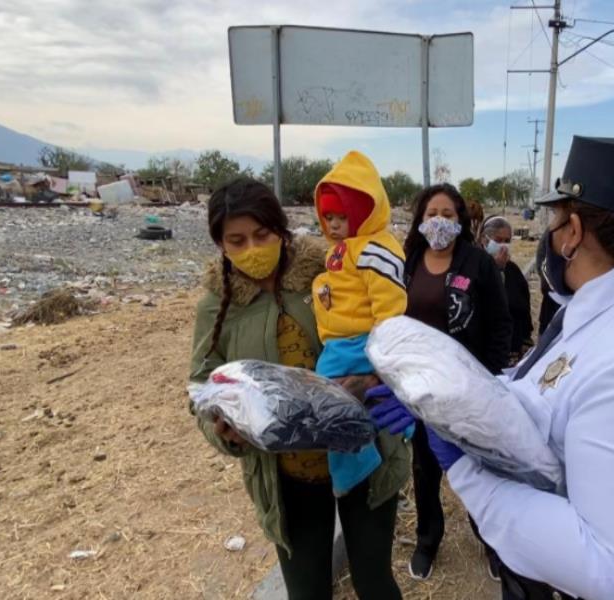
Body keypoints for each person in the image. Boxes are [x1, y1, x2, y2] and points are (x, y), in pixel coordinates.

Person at [373, 136, 614, 599]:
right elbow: (540, 389)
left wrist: (466, 470)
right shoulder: (595, 315)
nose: (549, 232)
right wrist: (448, 403)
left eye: (554, 217)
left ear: (573, 231)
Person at [189, 178, 409, 600]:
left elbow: (391, 334)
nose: (252, 248)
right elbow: (201, 385)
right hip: (289, 476)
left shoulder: (331, 274)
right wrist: (222, 427)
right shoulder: (218, 306)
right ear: (220, 244)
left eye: (262, 235)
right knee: (307, 592)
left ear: (281, 230)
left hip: (364, 455)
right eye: (236, 240)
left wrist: (374, 381)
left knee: (375, 584)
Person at [392, 183, 512, 581]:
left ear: (460, 220)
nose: (439, 221)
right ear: (420, 220)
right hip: (422, 391)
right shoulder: (408, 261)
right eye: (431, 214)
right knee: (425, 470)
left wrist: (489, 378)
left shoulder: (477, 263)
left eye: (447, 214)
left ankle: (492, 542)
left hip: (468, 390)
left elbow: (500, 324)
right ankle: (428, 541)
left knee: (479, 467)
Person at [311, 150, 409, 497]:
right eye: (329, 217)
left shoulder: (375, 249)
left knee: (330, 403)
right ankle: (360, 456)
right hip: (340, 343)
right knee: (339, 401)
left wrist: (384, 346)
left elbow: (389, 301)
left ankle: (357, 465)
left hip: (359, 342)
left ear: (364, 212)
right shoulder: (344, 249)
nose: (334, 225)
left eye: (342, 216)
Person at [480, 215, 534, 365]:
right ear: (485, 240)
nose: (503, 245)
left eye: (507, 241)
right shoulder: (475, 267)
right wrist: (495, 269)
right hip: (485, 352)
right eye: (498, 240)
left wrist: (526, 342)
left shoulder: (513, 271)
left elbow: (524, 309)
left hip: (513, 351)